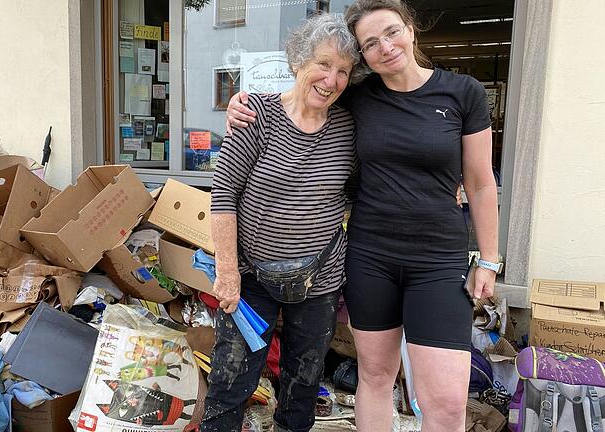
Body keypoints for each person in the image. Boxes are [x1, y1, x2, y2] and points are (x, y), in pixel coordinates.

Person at [226, 1, 500, 430]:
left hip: (439, 260)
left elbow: (482, 184)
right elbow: (307, 90)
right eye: (370, 43)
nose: (384, 47)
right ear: (364, 58)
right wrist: (243, 104)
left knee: (445, 401)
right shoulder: (357, 96)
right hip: (372, 257)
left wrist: (488, 259)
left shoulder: (463, 93)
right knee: (374, 377)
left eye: (391, 32)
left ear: (411, 30)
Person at [202, 13, 360, 432]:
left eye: (343, 71)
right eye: (323, 64)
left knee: (303, 386)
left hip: (319, 282)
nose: (332, 79)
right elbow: (223, 194)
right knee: (230, 383)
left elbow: (368, 182)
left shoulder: (349, 126)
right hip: (251, 277)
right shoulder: (256, 115)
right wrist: (227, 272)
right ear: (298, 62)